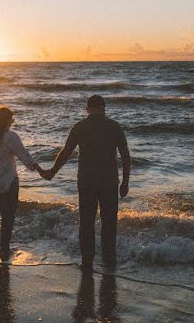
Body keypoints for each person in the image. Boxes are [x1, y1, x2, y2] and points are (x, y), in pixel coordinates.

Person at [41, 95, 130, 268]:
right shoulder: (114, 127)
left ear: (87, 108)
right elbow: (125, 156)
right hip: (109, 182)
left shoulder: (80, 127)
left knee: (87, 223)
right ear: (104, 108)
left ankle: (87, 261)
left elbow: (66, 152)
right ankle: (109, 261)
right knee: (109, 223)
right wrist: (125, 182)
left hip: (86, 181)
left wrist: (52, 171)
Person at [0, 105, 44, 260]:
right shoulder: (10, 136)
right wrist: (40, 170)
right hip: (8, 182)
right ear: (5, 121)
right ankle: (4, 249)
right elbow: (25, 156)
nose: (12, 122)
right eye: (11, 119)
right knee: (8, 216)